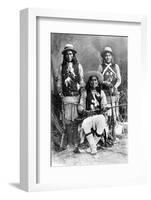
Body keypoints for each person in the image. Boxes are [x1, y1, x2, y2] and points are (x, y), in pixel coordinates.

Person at [57, 44, 85, 149]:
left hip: (76, 97)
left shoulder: (79, 66)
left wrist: (82, 90)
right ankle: (69, 142)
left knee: (76, 121)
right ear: (64, 55)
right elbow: (59, 80)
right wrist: (60, 91)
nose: (69, 56)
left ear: (73, 55)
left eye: (71, 54)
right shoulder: (61, 67)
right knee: (68, 121)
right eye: (67, 54)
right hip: (66, 98)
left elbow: (81, 80)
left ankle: (76, 142)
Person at [77, 71, 108, 155]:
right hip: (89, 116)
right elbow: (80, 105)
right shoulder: (85, 92)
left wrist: (104, 108)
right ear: (89, 82)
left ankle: (91, 147)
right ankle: (93, 148)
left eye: (95, 80)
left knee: (102, 121)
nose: (94, 82)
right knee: (85, 124)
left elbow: (104, 104)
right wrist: (84, 111)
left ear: (98, 82)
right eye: (91, 80)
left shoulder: (101, 93)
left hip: (98, 115)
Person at [98, 47, 121, 140]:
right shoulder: (101, 66)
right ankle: (107, 136)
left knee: (114, 115)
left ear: (111, 56)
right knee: (107, 115)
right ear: (103, 57)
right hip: (105, 93)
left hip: (113, 93)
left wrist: (115, 87)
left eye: (109, 55)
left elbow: (119, 79)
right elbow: (98, 79)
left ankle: (113, 135)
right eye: (106, 55)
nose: (107, 57)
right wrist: (104, 83)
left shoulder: (115, 66)